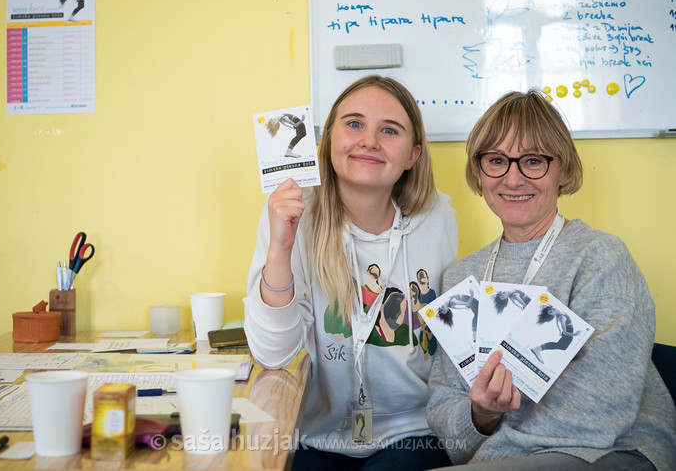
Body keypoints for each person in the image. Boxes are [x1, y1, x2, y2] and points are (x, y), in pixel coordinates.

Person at [426, 89, 676, 470]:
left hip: (610, 452)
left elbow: (599, 409)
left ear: (563, 168)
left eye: (533, 161)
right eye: (497, 160)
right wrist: (481, 415)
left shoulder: (600, 258)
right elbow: (445, 409)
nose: (513, 179)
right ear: (479, 170)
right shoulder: (462, 277)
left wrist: (485, 459)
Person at [244, 75, 458, 470]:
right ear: (327, 142)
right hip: (316, 436)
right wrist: (281, 247)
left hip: (414, 432)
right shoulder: (293, 212)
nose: (369, 141)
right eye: (354, 123)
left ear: (413, 154)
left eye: (389, 130)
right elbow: (273, 354)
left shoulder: (438, 215)